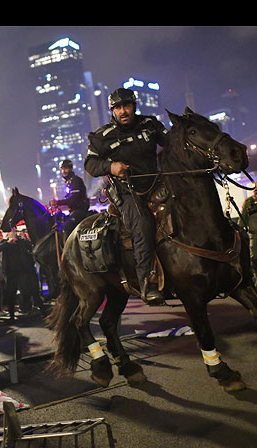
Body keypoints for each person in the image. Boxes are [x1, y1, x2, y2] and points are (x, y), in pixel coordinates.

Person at [84, 87, 167, 305]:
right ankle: (146, 282)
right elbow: (90, 164)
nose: (123, 111)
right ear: (112, 111)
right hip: (126, 192)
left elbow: (172, 143)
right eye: (118, 107)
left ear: (134, 106)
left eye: (127, 106)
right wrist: (110, 167)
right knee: (141, 223)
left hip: (156, 185)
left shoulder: (150, 125)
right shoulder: (102, 136)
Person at [50, 159, 90, 238]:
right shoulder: (69, 182)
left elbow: (73, 198)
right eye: (62, 169)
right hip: (73, 211)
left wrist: (58, 203)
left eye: (66, 168)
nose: (64, 171)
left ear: (70, 168)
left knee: (66, 227)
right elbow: (68, 197)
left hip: (80, 210)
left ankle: (71, 249)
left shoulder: (76, 181)